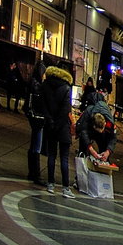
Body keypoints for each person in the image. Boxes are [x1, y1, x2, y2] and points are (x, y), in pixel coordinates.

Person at [39, 65, 75, 196]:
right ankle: (65, 188)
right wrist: (59, 124)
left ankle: (51, 184)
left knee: (51, 155)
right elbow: (65, 109)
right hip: (62, 127)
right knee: (64, 158)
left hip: (50, 125)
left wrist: (51, 122)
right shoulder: (66, 87)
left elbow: (43, 105)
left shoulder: (46, 84)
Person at [77, 96, 117, 166]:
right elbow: (83, 131)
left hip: (101, 135)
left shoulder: (110, 122)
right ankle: (81, 169)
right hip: (89, 131)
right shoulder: (89, 112)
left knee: (104, 149)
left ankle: (103, 168)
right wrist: (90, 148)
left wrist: (108, 151)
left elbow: (113, 137)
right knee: (83, 149)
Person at [24, 64, 46, 185]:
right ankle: (35, 174)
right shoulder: (37, 85)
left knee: (34, 144)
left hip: (33, 116)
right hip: (37, 117)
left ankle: (32, 172)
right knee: (36, 145)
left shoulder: (32, 82)